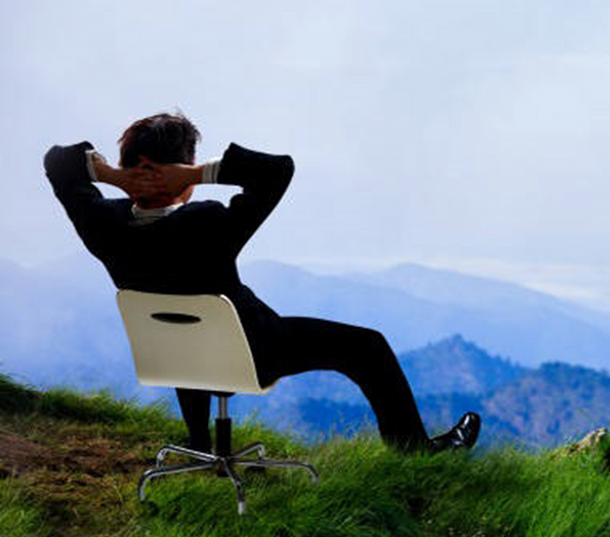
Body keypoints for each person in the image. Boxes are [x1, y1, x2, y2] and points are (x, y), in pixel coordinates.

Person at [43, 110, 480, 455]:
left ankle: (199, 442)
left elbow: (56, 161)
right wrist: (194, 176)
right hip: (252, 351)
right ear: (181, 173)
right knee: (367, 346)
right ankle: (414, 451)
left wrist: (117, 178)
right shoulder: (207, 222)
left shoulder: (102, 224)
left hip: (171, 357)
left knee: (183, 317)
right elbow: (277, 170)